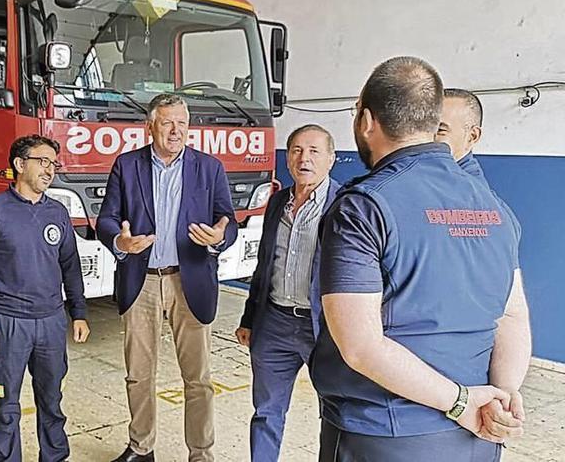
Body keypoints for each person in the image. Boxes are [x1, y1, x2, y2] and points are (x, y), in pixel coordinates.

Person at [310, 56, 532, 461]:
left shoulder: (363, 208)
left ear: (366, 121)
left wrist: (461, 402)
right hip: (476, 438)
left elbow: (360, 346)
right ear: (432, 125)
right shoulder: (495, 208)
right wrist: (501, 398)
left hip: (385, 435)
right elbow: (512, 316)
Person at [97, 93, 238, 462]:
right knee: (139, 375)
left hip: (189, 279)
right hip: (141, 280)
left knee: (198, 378)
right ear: (150, 126)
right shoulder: (127, 166)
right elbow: (107, 219)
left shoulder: (209, 168)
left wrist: (220, 237)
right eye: (167, 123)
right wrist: (121, 241)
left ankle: (201, 453)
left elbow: (228, 219)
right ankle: (142, 448)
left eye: (182, 123)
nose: (175, 131)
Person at [0, 134, 89, 462]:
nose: (50, 170)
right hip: (6, 324)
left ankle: (55, 457)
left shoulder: (58, 212)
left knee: (52, 403)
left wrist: (78, 312)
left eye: (53, 164)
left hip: (50, 323)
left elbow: (70, 266)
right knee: (4, 408)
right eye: (43, 161)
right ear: (20, 164)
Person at [235, 124, 340, 461]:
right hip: (275, 323)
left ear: (331, 160)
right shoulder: (278, 201)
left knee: (336, 413)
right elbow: (265, 265)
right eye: (296, 150)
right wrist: (249, 318)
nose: (303, 158)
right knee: (266, 411)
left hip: (322, 328)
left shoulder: (345, 204)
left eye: (313, 151)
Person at [436, 88, 487, 182]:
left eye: (440, 130)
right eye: (424, 129)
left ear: (472, 136)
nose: (425, 138)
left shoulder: (464, 191)